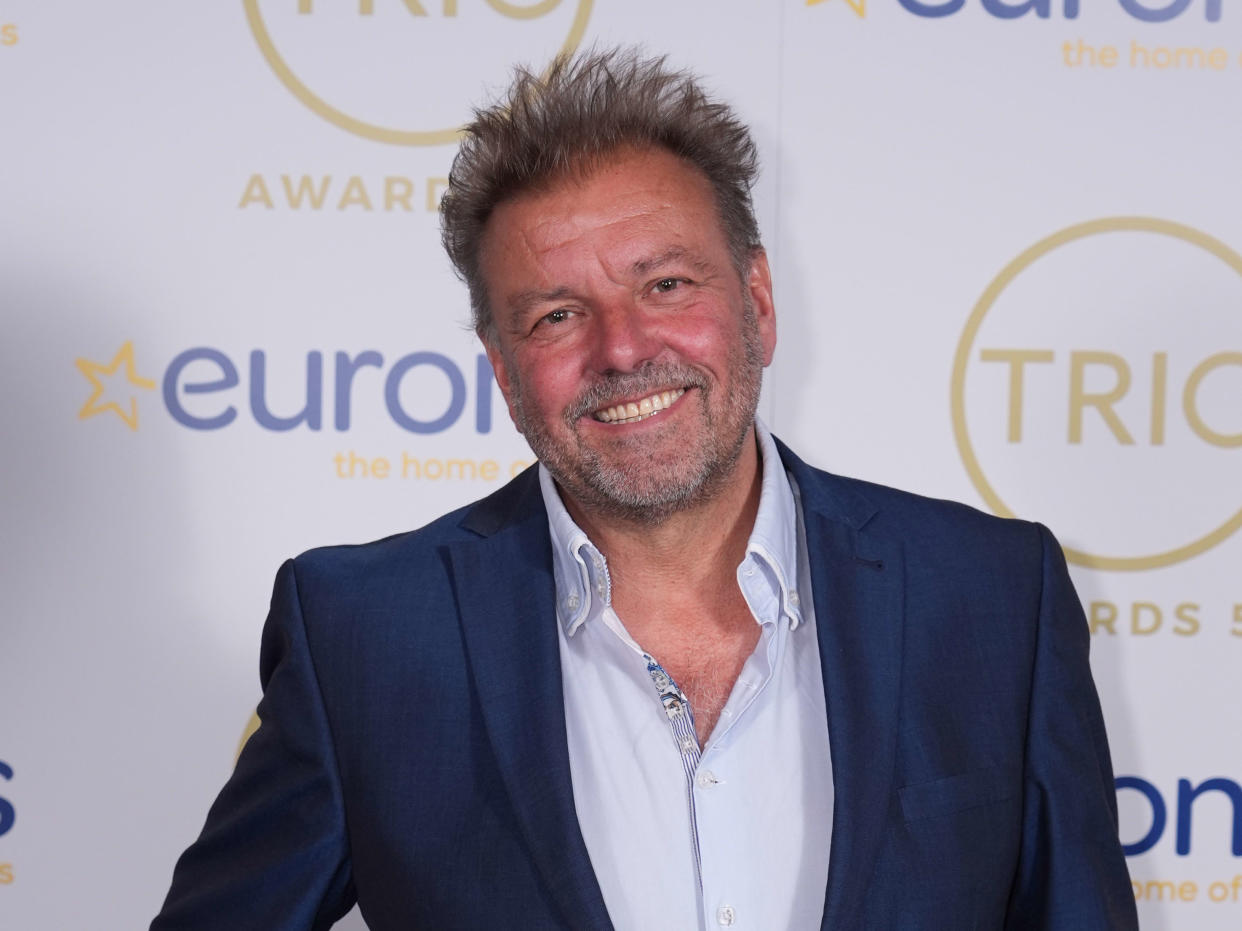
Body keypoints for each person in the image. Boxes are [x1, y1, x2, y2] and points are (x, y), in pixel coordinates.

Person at [153, 49, 1137, 929]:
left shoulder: (993, 594)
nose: (623, 349)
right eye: (556, 314)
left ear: (756, 302)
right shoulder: (366, 637)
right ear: (501, 369)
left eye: (666, 285)